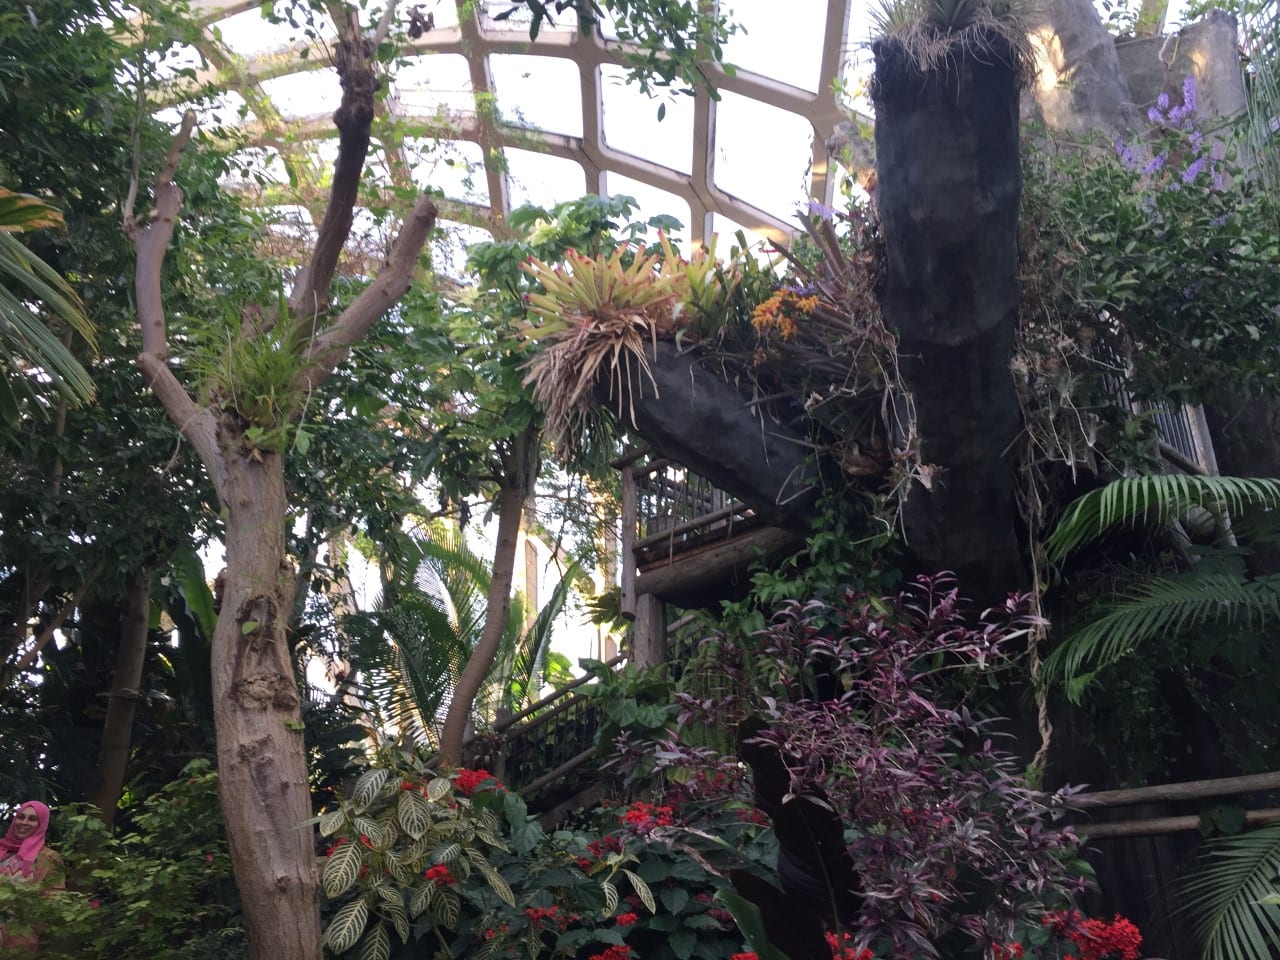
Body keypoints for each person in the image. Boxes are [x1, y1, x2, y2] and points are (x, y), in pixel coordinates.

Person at [0, 801, 64, 953]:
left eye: (32, 819)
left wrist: (28, 926)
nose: (24, 822)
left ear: (41, 824)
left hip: (17, 941)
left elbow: (54, 900)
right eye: (21, 817)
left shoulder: (48, 858)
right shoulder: (2, 850)